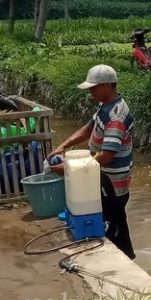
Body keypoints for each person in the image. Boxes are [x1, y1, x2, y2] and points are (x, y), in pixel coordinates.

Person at [49, 64, 136, 259]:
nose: (90, 92)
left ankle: (124, 259)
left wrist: (70, 169)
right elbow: (90, 128)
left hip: (113, 183)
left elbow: (106, 155)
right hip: (101, 177)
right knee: (108, 221)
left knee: (114, 225)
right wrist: (64, 145)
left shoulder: (116, 117)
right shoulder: (105, 107)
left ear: (107, 86)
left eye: (93, 87)